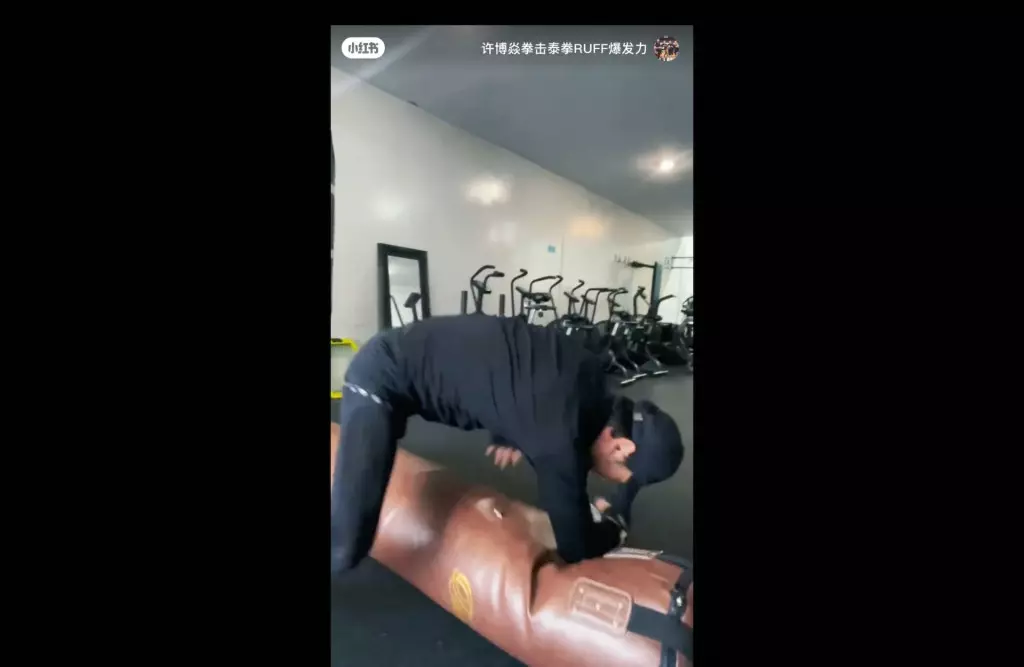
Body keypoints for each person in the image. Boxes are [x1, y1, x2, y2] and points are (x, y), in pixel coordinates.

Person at [331, 313, 684, 576]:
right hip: (380, 381)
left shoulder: (589, 373)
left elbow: (517, 356)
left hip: (400, 357)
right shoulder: (558, 439)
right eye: (617, 475)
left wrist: (509, 429)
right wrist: (613, 529)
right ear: (621, 448)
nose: (604, 477)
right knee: (347, 546)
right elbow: (576, 548)